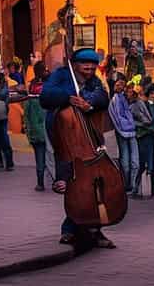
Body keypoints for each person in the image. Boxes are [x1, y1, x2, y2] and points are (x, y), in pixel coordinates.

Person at [39, 47, 115, 249]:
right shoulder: (61, 75)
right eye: (85, 64)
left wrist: (88, 103)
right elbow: (45, 96)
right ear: (74, 64)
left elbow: (103, 97)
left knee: (94, 185)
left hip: (89, 138)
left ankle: (93, 230)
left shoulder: (94, 81)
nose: (89, 68)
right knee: (75, 183)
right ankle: (71, 228)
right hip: (65, 135)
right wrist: (68, 97)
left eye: (92, 65)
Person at [108, 75, 138, 195]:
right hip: (123, 132)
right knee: (125, 162)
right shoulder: (115, 100)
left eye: (122, 84)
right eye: (118, 84)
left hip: (131, 132)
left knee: (134, 162)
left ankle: (132, 185)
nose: (120, 86)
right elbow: (118, 119)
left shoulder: (126, 98)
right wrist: (130, 124)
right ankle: (127, 185)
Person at [132, 83, 154, 198]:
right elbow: (135, 121)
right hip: (145, 137)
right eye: (152, 93)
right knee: (142, 163)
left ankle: (153, 191)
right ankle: (136, 189)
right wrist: (148, 127)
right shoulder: (141, 105)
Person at [24, 63, 49, 192]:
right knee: (49, 155)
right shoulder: (49, 95)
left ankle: (40, 183)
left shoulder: (30, 96)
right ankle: (56, 179)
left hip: (35, 131)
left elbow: (26, 116)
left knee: (39, 157)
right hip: (48, 131)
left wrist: (27, 131)